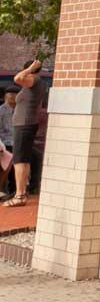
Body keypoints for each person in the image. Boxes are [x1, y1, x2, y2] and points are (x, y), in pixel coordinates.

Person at [2, 60, 43, 207]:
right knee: (23, 160)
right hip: (25, 124)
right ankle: (21, 192)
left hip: (24, 124)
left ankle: (19, 196)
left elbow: (17, 78)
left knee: (19, 160)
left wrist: (31, 69)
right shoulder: (34, 82)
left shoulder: (33, 79)